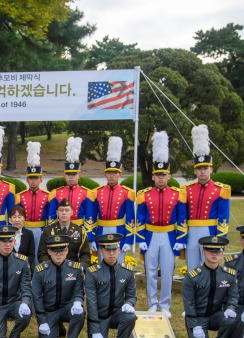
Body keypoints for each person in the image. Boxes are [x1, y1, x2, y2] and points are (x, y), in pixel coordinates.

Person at [136, 131, 187, 316]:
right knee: (150, 271)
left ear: (169, 174)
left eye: (163, 175)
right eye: (157, 175)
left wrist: (181, 238)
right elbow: (140, 218)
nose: (160, 178)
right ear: (153, 176)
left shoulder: (177, 194)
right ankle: (152, 303)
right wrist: (140, 238)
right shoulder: (145, 194)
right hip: (150, 236)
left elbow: (182, 218)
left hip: (169, 236)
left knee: (167, 271)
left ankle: (165, 305)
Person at [182, 235, 240, 338]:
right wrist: (194, 323)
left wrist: (230, 308)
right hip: (198, 317)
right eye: (210, 251)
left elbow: (233, 296)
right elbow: (189, 303)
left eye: (218, 251)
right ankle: (195, 332)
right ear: (204, 252)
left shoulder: (229, 275)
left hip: (216, 316)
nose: (214, 254)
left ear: (222, 253)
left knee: (231, 320)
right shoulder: (192, 276)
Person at [184, 125, 231, 270]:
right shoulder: (186, 190)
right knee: (192, 266)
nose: (202, 172)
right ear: (195, 170)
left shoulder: (221, 190)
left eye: (205, 168)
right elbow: (183, 216)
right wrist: (182, 236)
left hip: (210, 231)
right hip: (191, 232)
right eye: (199, 169)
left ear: (211, 168)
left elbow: (224, 217)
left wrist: (219, 239)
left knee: (210, 265)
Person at [85, 233, 138, 338]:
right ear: (101, 251)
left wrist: (129, 304)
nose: (111, 253)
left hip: (116, 315)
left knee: (130, 317)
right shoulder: (92, 273)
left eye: (114, 249)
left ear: (119, 250)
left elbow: (132, 296)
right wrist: (95, 329)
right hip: (99, 317)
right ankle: (95, 335)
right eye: (107, 250)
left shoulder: (127, 271)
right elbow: (91, 303)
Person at [31, 235, 85, 338]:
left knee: (80, 313)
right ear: (49, 251)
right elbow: (37, 297)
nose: (58, 254)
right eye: (55, 251)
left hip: (67, 308)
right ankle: (58, 326)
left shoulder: (75, 268)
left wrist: (77, 301)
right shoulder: (40, 270)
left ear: (67, 251)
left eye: (62, 250)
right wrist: (42, 320)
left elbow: (79, 291)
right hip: (49, 310)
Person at [89, 136, 135, 258]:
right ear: (105, 174)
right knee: (102, 263)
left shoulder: (127, 193)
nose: (111, 176)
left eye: (114, 173)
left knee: (118, 264)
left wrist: (129, 240)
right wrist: (92, 238)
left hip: (119, 231)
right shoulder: (96, 192)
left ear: (120, 174)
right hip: (101, 231)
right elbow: (92, 218)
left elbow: (130, 219)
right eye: (109, 173)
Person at [47, 136, 95, 232]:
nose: (71, 177)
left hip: (80, 230)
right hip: (60, 230)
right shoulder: (55, 193)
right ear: (64, 175)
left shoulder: (87, 193)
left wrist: (88, 236)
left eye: (74, 174)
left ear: (79, 175)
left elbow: (90, 216)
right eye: (68, 174)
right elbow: (51, 216)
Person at [15, 141, 49, 255]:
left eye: (36, 178)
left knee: (39, 256)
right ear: (27, 180)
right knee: (24, 255)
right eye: (31, 178)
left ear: (41, 180)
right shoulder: (20, 196)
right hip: (24, 230)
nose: (33, 181)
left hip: (41, 230)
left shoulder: (47, 196)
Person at [38, 199, 91, 267]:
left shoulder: (80, 231)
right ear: (57, 213)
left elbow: (85, 254)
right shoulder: (48, 231)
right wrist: (48, 267)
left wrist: (81, 268)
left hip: (73, 269)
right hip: (52, 268)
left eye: (67, 210)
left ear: (72, 212)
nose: (64, 213)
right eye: (61, 210)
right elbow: (42, 253)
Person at [9, 205, 36, 270]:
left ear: (24, 218)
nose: (17, 220)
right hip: (8, 268)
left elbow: (31, 254)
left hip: (25, 268)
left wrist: (24, 266)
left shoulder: (29, 234)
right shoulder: (5, 233)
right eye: (14, 217)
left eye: (19, 217)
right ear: (10, 219)